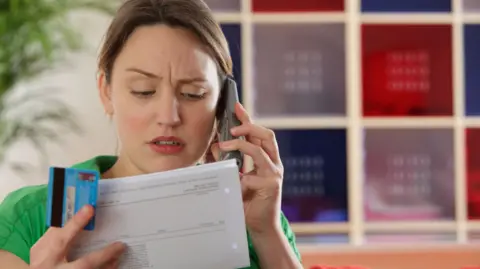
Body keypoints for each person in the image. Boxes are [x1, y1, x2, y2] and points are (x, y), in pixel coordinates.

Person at [0, 0, 303, 268]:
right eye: (143, 91)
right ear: (106, 92)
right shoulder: (28, 217)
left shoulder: (258, 220)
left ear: (223, 106)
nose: (168, 117)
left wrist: (266, 232)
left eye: (193, 93)